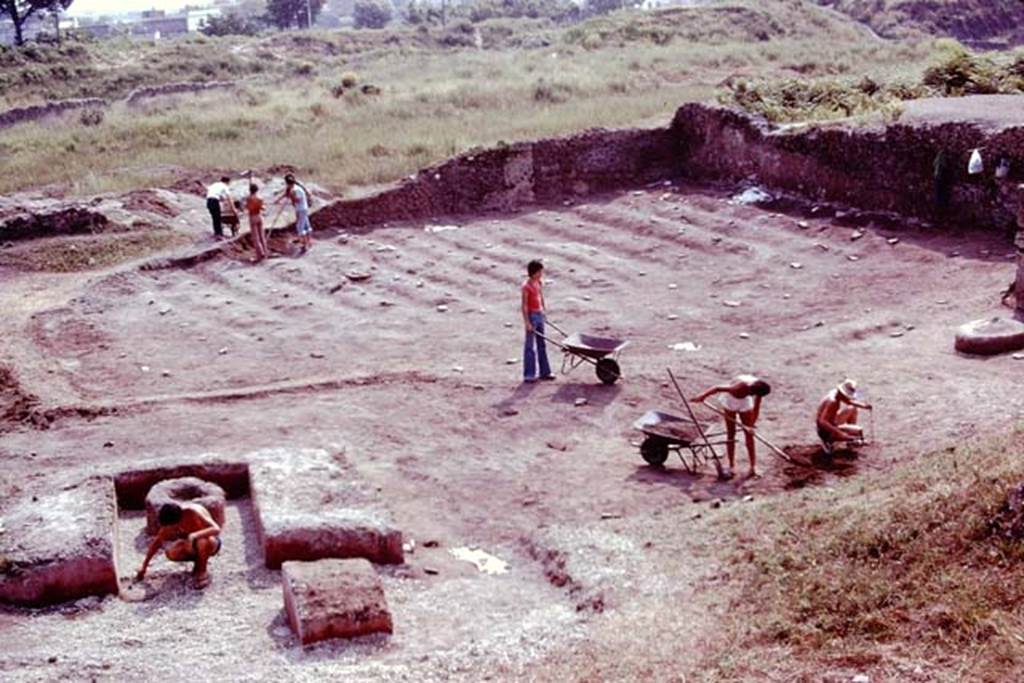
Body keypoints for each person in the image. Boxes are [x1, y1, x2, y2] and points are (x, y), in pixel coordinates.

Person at [691, 375, 771, 478]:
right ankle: (732, 466)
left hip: (745, 402)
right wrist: (702, 396)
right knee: (731, 433)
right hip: (731, 401)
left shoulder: (759, 388)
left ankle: (753, 467)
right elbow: (717, 388)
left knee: (749, 435)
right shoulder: (738, 387)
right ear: (751, 391)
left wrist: (751, 426)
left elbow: (756, 407)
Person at [135, 501, 222, 589]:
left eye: (171, 526)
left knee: (201, 541)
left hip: (211, 542)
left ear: (176, 521)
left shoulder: (192, 511)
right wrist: (144, 566)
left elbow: (216, 529)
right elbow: (157, 543)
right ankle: (198, 562)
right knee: (171, 553)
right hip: (192, 544)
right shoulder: (171, 518)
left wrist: (195, 535)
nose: (170, 529)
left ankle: (202, 571)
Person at [816, 378, 873, 454]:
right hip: (825, 430)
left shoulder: (836, 393)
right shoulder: (832, 401)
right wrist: (839, 433)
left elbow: (848, 402)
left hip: (832, 421)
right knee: (859, 431)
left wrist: (863, 406)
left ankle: (850, 440)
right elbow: (822, 421)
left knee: (852, 408)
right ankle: (829, 441)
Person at [521, 259, 554, 383]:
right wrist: (527, 322)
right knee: (530, 346)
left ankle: (545, 372)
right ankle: (529, 374)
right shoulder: (526, 287)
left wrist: (543, 311)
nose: (541, 274)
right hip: (531, 316)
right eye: (539, 272)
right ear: (533, 272)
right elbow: (524, 306)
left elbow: (541, 297)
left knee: (542, 343)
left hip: (539, 314)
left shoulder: (538, 283)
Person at [275, 173, 313, 253]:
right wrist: (278, 199)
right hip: (300, 209)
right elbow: (286, 194)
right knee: (306, 225)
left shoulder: (296, 190)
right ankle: (309, 241)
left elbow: (298, 200)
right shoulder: (292, 189)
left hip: (301, 209)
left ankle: (304, 245)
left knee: (300, 227)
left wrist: (291, 197)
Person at [246, 183, 269, 261]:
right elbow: (263, 207)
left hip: (253, 216)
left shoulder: (249, 198)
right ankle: (265, 252)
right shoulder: (260, 198)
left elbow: (248, 207)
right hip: (259, 216)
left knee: (256, 238)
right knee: (262, 236)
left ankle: (260, 255)